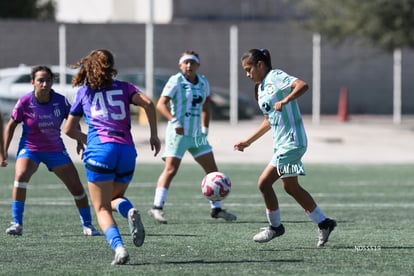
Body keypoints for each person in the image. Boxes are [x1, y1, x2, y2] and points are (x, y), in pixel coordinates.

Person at [64, 49, 161, 265]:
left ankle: (119, 248)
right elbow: (148, 103)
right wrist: (154, 135)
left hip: (101, 151)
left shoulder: (84, 92)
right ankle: (129, 210)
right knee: (114, 198)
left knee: (101, 208)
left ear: (88, 68)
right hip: (126, 151)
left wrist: (87, 139)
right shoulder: (126, 87)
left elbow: (69, 129)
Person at [234, 48, 336, 247]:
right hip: (282, 144)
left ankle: (275, 227)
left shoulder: (276, 76)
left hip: (292, 142)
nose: (247, 74)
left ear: (260, 65)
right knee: (291, 187)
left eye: (249, 69)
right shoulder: (260, 88)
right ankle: (324, 222)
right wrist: (249, 141)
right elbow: (268, 120)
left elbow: (302, 85)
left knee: (264, 183)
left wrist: (287, 98)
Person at [3, 65, 100, 236]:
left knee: (77, 188)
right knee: (20, 176)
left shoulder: (60, 101)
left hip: (55, 150)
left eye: (48, 80)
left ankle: (88, 225)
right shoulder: (24, 102)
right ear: (33, 82)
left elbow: (73, 120)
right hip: (30, 149)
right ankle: (16, 223)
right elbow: (10, 126)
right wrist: (3, 153)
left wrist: (79, 140)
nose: (45, 84)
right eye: (40, 80)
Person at [148, 50, 236, 224]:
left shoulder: (203, 82)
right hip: (178, 133)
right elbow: (161, 104)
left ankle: (216, 209)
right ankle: (157, 208)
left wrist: (205, 128)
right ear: (180, 65)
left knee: (213, 171)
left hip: (196, 135)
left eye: (192, 62)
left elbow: (205, 106)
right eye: (185, 62)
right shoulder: (176, 81)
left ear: (198, 65)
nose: (189, 65)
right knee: (171, 170)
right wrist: (174, 121)